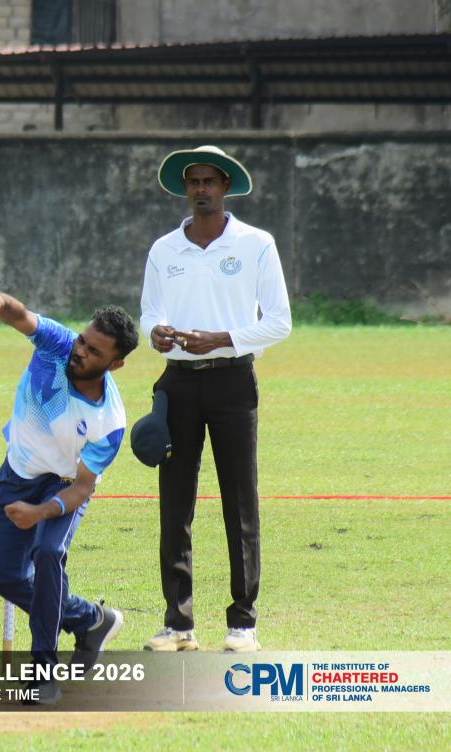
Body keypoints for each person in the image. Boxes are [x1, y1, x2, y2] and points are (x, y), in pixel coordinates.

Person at [139, 145, 291, 653]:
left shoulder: (256, 244)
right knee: (175, 503)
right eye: (193, 181)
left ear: (225, 187)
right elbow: (149, 313)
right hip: (178, 384)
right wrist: (156, 332)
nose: (201, 189)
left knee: (239, 501)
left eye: (209, 181)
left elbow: (279, 322)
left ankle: (243, 624)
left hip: (233, 382)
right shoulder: (164, 250)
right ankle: (178, 624)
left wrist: (222, 339)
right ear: (185, 189)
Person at [0, 289, 138, 705]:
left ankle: (43, 675)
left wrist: (39, 513)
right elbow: (23, 318)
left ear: (115, 365)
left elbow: (82, 488)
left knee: (49, 552)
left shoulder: (108, 422)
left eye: (94, 351)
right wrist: (1, 305)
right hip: (17, 474)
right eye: (83, 340)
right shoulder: (58, 344)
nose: (80, 351)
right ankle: (90, 620)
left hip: (63, 485)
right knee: (2, 576)